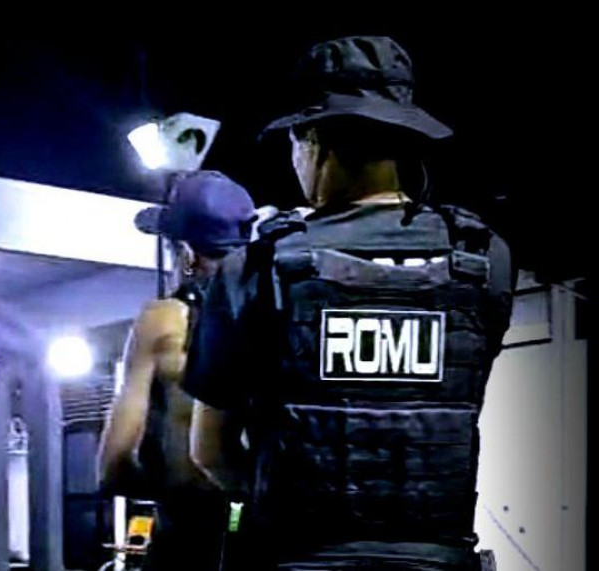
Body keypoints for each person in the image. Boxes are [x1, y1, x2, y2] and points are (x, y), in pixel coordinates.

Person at [184, 36, 513, 570]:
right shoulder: (481, 258)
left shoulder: (256, 266)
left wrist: (281, 502)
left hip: (298, 558)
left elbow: (209, 451)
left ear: (312, 140)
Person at [97, 170, 256, 571]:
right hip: (258, 531)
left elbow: (113, 465)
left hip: (185, 533)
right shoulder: (273, 314)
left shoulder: (162, 321)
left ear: (186, 254)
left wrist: (173, 486)